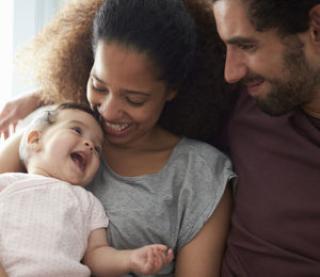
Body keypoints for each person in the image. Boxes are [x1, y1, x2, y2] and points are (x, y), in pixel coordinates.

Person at [0, 0, 236, 276]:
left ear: (172, 90)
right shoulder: (56, 127)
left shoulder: (201, 175)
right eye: (99, 86)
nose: (108, 112)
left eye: (134, 99)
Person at [0, 102, 174, 277]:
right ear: (35, 140)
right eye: (77, 130)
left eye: (97, 149)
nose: (90, 145)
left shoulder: (88, 203)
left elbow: (97, 255)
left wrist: (129, 259)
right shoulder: (7, 184)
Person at [210, 0, 320, 275]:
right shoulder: (247, 99)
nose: (231, 73)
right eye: (227, 47)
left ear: (316, 28)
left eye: (246, 46)